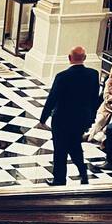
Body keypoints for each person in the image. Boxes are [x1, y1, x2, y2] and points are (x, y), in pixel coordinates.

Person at [38, 46, 101, 186]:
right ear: (84, 58)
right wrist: (91, 118)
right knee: (75, 146)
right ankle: (83, 173)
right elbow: (94, 99)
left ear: (69, 58)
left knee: (60, 149)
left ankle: (60, 179)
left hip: (62, 119)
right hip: (81, 119)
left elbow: (52, 99)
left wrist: (43, 119)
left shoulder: (62, 77)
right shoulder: (93, 74)